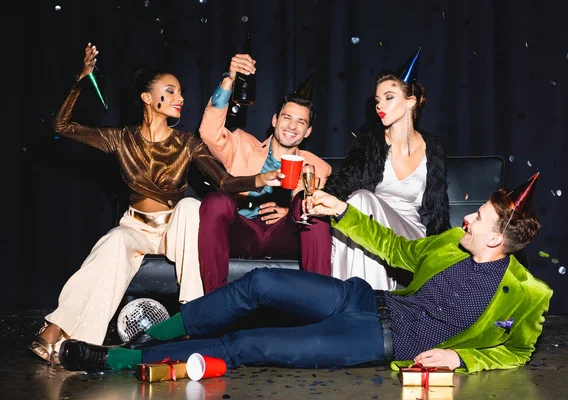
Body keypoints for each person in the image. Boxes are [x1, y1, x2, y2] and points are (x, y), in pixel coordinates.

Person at [57, 172, 552, 375]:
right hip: (364, 301)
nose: (466, 218)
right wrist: (341, 211)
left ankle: (119, 361)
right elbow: (397, 247)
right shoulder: (451, 245)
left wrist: (460, 361)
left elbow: (517, 349)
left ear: (496, 238)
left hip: (375, 341)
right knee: (259, 284)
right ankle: (154, 333)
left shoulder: (528, 294)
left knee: (251, 345)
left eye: (479, 218)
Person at [29, 43, 284, 361]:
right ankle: (58, 328)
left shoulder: (187, 143)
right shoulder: (121, 139)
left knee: (192, 207)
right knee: (112, 242)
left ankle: (193, 319)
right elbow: (61, 127)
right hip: (135, 226)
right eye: (171, 91)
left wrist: (259, 180)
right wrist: (81, 80)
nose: (180, 98)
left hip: (174, 227)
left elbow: (223, 183)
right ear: (147, 98)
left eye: (180, 92)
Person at [196, 53, 332, 294]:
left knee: (312, 208)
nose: (292, 126)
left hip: (284, 235)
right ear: (274, 120)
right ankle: (213, 303)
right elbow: (208, 132)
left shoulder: (318, 168)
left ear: (308, 132)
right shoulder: (240, 144)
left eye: (301, 122)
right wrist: (230, 79)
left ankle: (319, 303)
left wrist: (291, 211)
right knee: (216, 200)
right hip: (242, 229)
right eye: (287, 118)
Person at [323, 48, 450, 290]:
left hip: (409, 235)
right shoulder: (369, 139)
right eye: (378, 100)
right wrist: (322, 197)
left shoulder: (434, 149)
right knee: (360, 200)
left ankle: (363, 303)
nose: (380, 105)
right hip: (370, 223)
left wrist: (442, 252)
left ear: (411, 101)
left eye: (389, 97)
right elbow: (346, 178)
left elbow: (438, 210)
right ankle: (366, 303)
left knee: (361, 205)